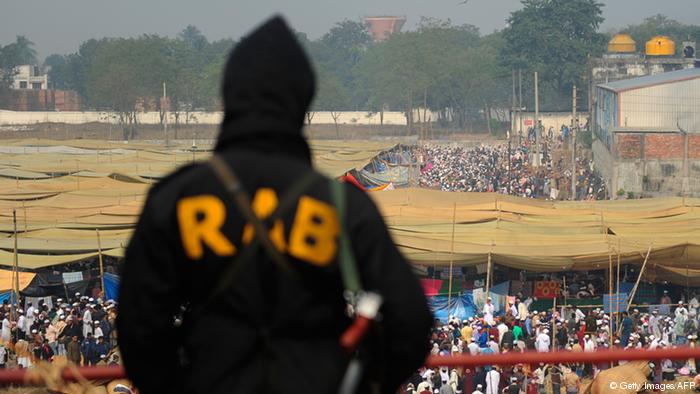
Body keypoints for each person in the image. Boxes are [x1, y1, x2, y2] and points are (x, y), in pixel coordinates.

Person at [118, 16, 432, 394]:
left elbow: (138, 324)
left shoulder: (177, 197)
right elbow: (411, 320)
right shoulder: (341, 205)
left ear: (228, 98)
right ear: (303, 100)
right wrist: (357, 381)